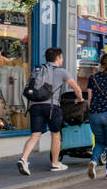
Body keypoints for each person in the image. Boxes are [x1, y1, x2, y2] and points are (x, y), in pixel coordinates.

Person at [17, 47, 83, 175]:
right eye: (62, 57)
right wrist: (79, 99)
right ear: (57, 58)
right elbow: (76, 88)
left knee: (35, 135)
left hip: (35, 106)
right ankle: (55, 163)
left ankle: (23, 159)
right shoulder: (62, 71)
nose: (62, 59)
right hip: (52, 107)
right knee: (56, 135)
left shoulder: (38, 70)